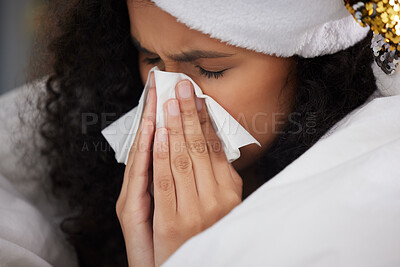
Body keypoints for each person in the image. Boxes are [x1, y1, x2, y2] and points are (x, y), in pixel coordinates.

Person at [0, 0, 398, 266]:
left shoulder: (373, 207)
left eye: (210, 69)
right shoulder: (43, 176)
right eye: (151, 59)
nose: (168, 96)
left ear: (313, 66)